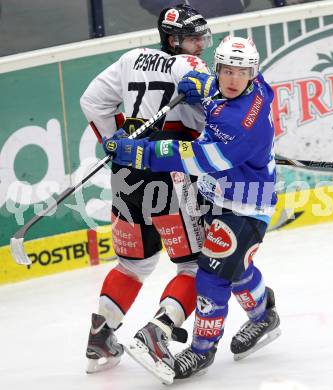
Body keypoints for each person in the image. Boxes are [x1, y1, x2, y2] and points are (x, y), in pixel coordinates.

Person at [104, 35, 281, 383]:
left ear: (252, 73)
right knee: (234, 266)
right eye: (226, 71)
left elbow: (197, 158)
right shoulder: (250, 86)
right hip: (225, 194)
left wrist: (142, 153)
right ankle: (263, 317)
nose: (232, 79)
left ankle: (202, 350)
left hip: (245, 204)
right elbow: (217, 92)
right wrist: (203, 85)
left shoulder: (240, 122)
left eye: (240, 73)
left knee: (212, 273)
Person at [80, 4, 212, 374]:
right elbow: (209, 123)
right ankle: (158, 333)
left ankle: (101, 336)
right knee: (195, 266)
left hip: (127, 174)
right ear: (173, 40)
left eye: (203, 36)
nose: (200, 44)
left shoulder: (132, 57)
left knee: (132, 264)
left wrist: (116, 139)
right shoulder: (190, 66)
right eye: (193, 37)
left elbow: (91, 102)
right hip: (169, 171)